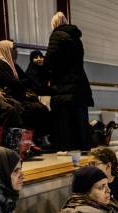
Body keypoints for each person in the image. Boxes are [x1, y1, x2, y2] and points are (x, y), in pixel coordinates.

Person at [45, 11, 94, 153]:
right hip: (80, 82)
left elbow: (50, 59)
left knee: (62, 116)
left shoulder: (56, 35)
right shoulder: (76, 38)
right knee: (81, 116)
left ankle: (64, 147)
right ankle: (85, 146)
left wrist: (47, 68)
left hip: (63, 83)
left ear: (54, 23)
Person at [0, 40, 51, 145]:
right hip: (9, 97)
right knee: (32, 109)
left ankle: (38, 138)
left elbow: (25, 80)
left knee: (41, 108)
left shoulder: (12, 64)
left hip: (18, 95)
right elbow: (13, 83)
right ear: (6, 49)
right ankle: (27, 141)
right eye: (14, 48)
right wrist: (21, 84)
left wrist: (21, 84)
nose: (16, 51)